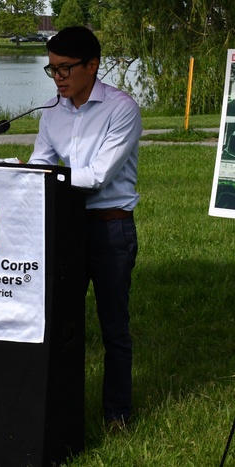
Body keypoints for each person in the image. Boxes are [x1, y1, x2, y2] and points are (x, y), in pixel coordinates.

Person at [27, 26, 142, 429]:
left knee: (114, 327)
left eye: (65, 69)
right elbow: (41, 163)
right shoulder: (49, 111)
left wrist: (46, 177)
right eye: (51, 69)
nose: (58, 78)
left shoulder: (121, 109)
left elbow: (96, 177)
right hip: (64, 227)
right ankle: (58, 411)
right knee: (60, 324)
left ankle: (117, 414)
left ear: (92, 65)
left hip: (110, 230)